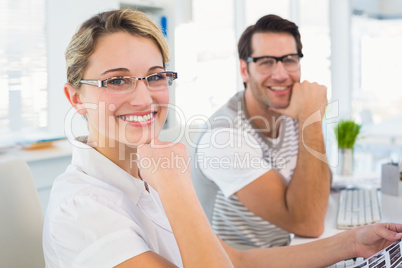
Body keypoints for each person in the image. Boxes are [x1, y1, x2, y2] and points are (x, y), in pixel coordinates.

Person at [42, 8, 402, 268]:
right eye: (116, 80)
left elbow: (238, 261)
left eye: (155, 76)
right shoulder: (83, 210)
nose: (143, 98)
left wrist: (351, 243)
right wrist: (177, 188)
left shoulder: (145, 176)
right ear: (76, 98)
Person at [192, 14, 331, 248]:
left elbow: (318, 187)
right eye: (266, 61)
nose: (280, 74)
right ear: (245, 70)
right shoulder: (224, 137)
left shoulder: (291, 114)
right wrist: (312, 119)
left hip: (284, 251)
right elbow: (309, 223)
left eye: (289, 59)